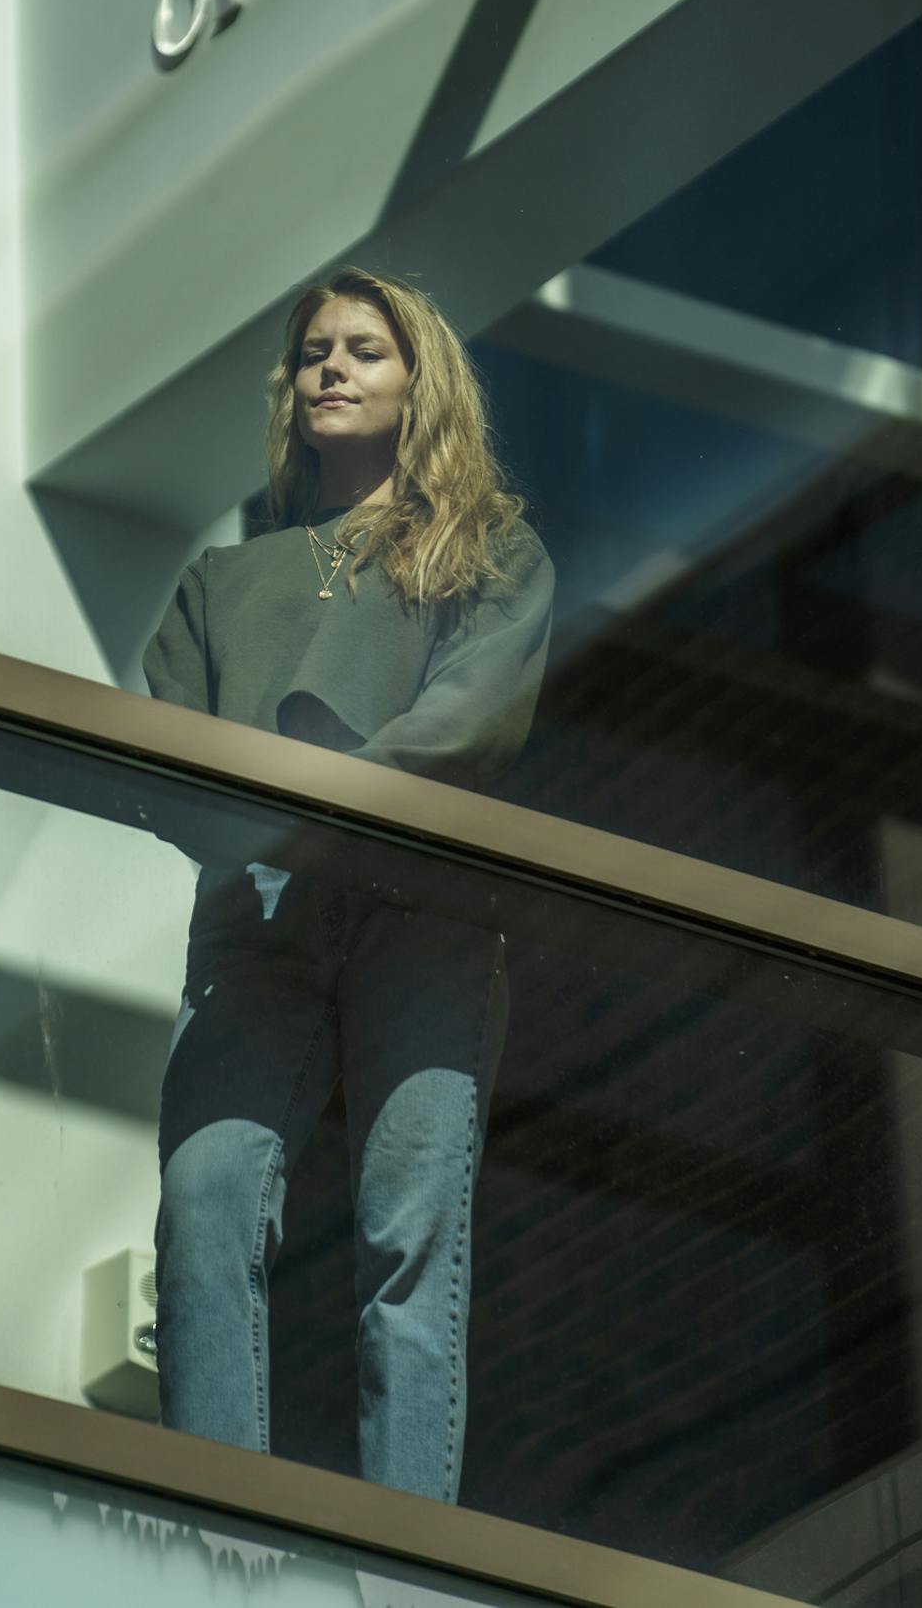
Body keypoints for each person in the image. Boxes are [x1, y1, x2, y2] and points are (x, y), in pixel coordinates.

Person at [143, 267, 555, 1502]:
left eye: (364, 349)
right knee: (204, 1199)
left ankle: (405, 1550)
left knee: (408, 1231)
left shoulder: (486, 549)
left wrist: (313, 804)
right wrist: (268, 824)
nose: (330, 365)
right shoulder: (221, 582)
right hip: (254, 925)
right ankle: (220, 1534)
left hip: (418, 913)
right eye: (314, 350)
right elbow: (164, 753)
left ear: (417, 379)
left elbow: (466, 725)